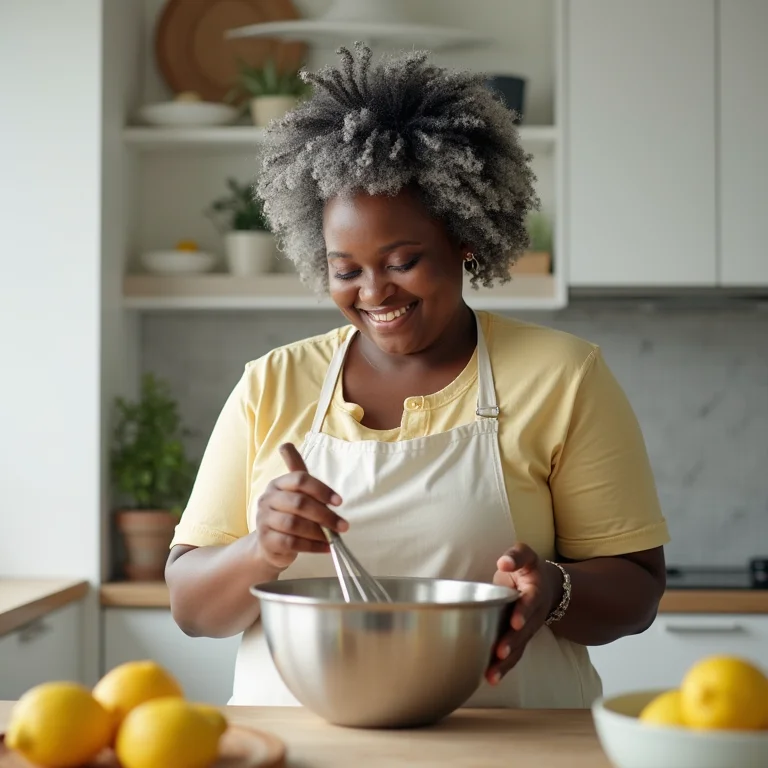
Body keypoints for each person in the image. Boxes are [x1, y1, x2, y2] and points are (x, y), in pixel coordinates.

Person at [165, 43, 669, 709]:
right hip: (302, 748)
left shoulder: (563, 377)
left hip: (508, 748)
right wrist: (262, 548)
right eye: (346, 268)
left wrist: (554, 589)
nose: (374, 291)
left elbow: (636, 592)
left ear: (464, 236)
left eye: (403, 260)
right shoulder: (271, 384)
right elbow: (192, 608)